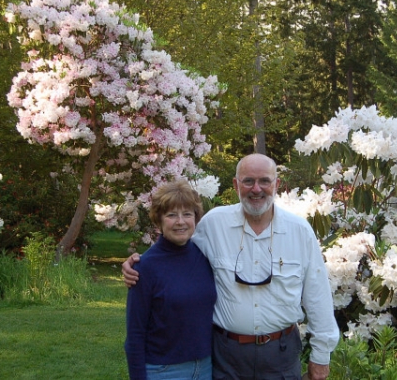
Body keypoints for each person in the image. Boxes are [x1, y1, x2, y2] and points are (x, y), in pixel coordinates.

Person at [123, 154, 339, 380]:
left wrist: (321, 356)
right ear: (236, 185)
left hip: (281, 355)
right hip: (227, 357)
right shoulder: (214, 224)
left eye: (264, 181)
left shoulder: (299, 231)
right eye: (248, 181)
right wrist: (139, 264)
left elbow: (317, 295)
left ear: (276, 184)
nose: (256, 189)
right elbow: (175, 245)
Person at [125, 179, 217, 380]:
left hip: (206, 368)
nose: (180, 221)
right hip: (163, 371)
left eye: (187, 214)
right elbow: (135, 333)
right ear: (158, 220)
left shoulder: (206, 256)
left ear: (196, 218)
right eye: (171, 215)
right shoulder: (145, 267)